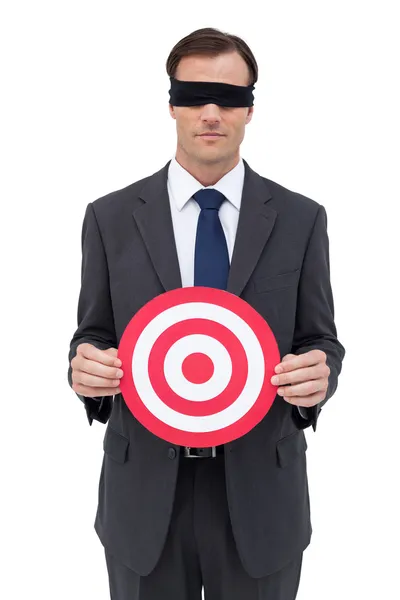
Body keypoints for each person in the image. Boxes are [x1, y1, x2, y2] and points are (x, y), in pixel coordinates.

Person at [68, 27, 345, 600]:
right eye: (193, 96)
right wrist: (85, 370)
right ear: (171, 104)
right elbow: (92, 333)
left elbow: (320, 338)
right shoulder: (110, 217)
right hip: (145, 497)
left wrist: (320, 375)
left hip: (259, 497)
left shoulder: (300, 220)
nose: (210, 112)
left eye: (229, 97)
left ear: (251, 110)